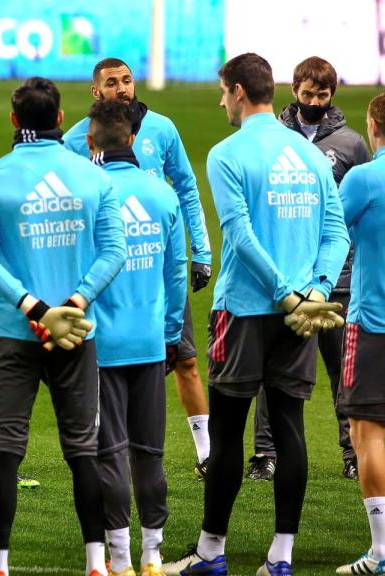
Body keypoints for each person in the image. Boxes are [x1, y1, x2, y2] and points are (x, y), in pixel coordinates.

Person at [162, 52, 349, 576]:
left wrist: (286, 294)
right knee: (289, 427)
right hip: (301, 315)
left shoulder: (227, 154)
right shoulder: (310, 155)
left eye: (224, 92)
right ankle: (280, 558)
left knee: (227, 432)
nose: (221, 102)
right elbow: (336, 233)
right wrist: (314, 291)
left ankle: (211, 553)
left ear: (239, 92)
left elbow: (239, 235)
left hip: (245, 310)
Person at [0, 77, 127, 576]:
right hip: (77, 334)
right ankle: (96, 563)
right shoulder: (93, 178)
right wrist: (72, 305)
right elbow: (115, 252)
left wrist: (35, 310)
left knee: (6, 454)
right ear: (61, 119)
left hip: (14, 334)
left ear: (14, 120)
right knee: (83, 453)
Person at [64, 57, 215, 478]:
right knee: (102, 368)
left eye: (127, 80)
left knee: (185, 360)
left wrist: (201, 251)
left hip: (155, 265)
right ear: (96, 91)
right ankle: (103, 451)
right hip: (104, 276)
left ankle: (206, 452)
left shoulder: (162, 129)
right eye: (112, 82)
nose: (122, 88)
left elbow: (186, 187)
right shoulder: (76, 140)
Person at [248, 56, 371, 482]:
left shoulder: (352, 145)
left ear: (332, 94)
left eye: (322, 95)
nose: (314, 102)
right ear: (294, 90)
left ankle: (353, 453)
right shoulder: (273, 139)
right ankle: (265, 454)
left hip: (339, 277)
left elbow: (365, 207)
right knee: (272, 372)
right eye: (307, 94)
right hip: (285, 276)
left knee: (343, 372)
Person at [87, 100, 188, 576]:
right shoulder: (161, 194)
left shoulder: (89, 193)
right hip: (150, 341)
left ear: (92, 141)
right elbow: (177, 271)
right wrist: (172, 333)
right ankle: (153, 555)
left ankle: (120, 558)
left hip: (102, 345)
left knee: (110, 453)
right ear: (132, 138)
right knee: (150, 453)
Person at [335, 91, 385, 575]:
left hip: (372, 323)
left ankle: (381, 552)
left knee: (367, 430)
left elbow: (331, 231)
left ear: (373, 128)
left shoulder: (364, 178)